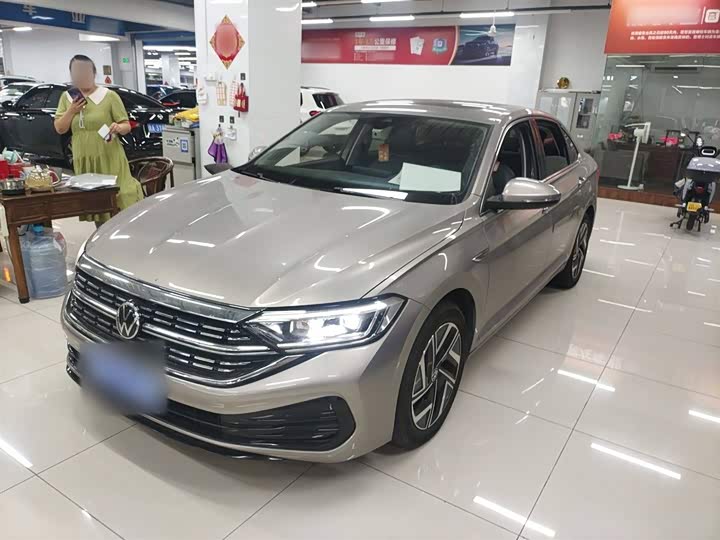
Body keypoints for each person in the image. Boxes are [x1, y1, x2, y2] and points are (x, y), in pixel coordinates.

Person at [54, 55, 143, 226]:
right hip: (84, 157)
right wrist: (71, 110)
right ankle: (102, 236)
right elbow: (60, 128)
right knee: (97, 203)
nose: (82, 75)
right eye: (77, 72)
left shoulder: (109, 96)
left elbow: (126, 125)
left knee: (120, 196)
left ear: (94, 73)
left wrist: (118, 128)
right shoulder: (67, 98)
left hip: (109, 155)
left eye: (85, 71)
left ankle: (125, 231)